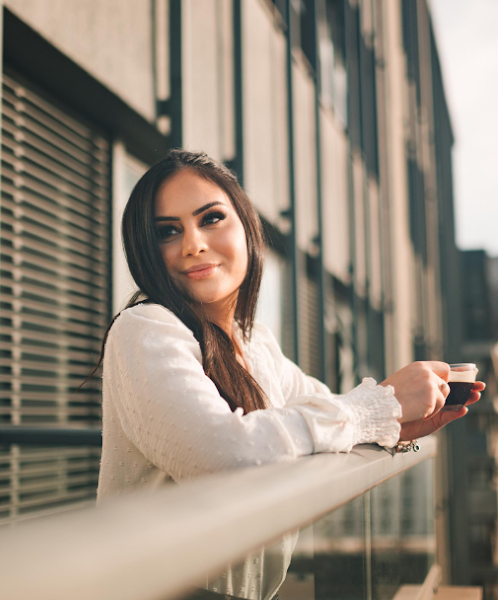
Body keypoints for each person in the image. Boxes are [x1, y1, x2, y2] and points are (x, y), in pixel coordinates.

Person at [94, 149, 484, 600]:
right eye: (168, 231)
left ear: (247, 226)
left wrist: (396, 425)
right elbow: (225, 454)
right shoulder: (144, 328)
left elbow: (323, 414)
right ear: (146, 250)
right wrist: (382, 404)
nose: (193, 244)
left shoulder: (255, 341)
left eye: (212, 219)